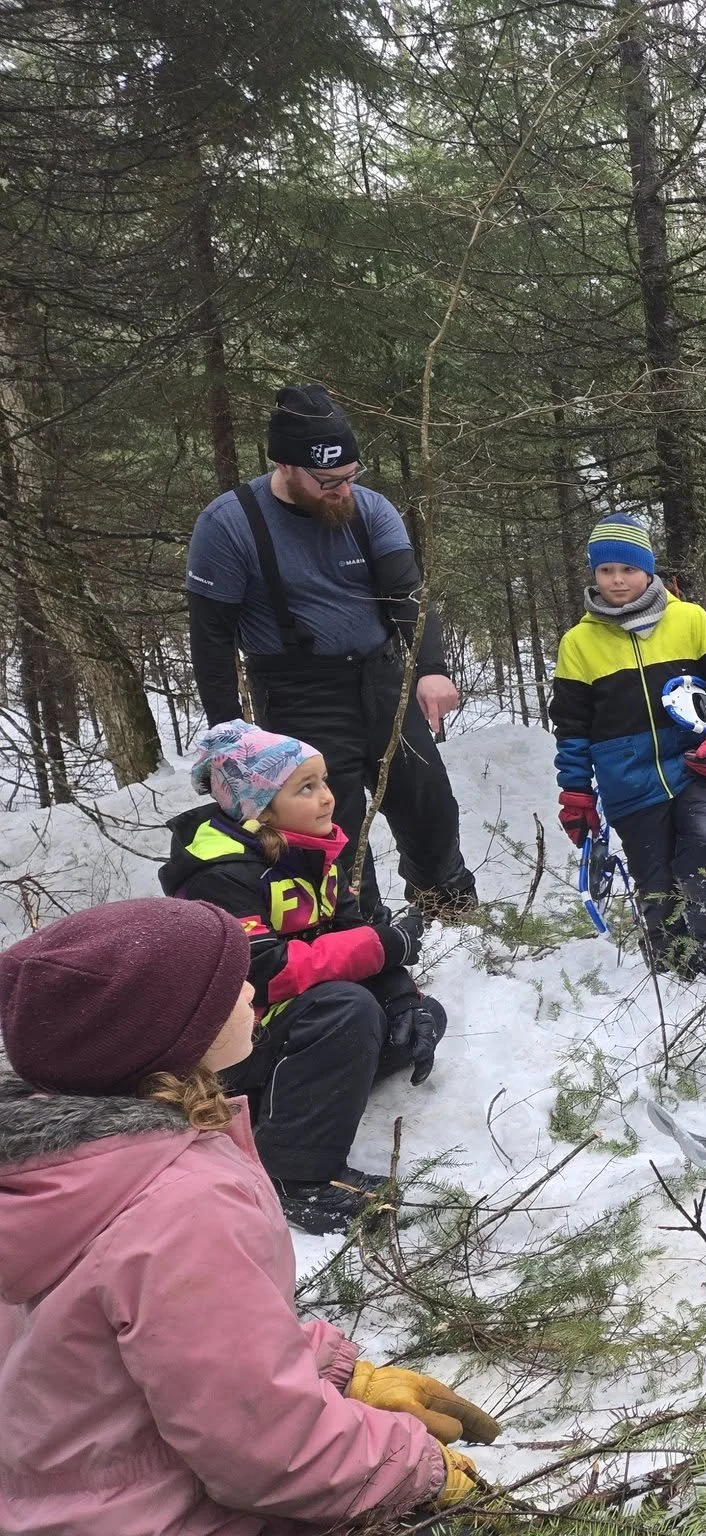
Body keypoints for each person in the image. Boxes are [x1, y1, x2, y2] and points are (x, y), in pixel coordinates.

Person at [0, 898, 497, 1533]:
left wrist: (341, 1377)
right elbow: (265, 1451)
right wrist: (415, 1471)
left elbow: (171, 1343)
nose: (249, 986)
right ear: (168, 1031)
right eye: (227, 982)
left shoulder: (66, 1167)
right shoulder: (181, 1204)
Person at [185, 383, 477, 922]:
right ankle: (360, 930)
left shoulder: (370, 510)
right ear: (285, 466)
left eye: (350, 476)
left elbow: (408, 595)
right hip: (298, 691)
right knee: (328, 817)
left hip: (380, 676)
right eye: (328, 482)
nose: (343, 490)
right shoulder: (229, 525)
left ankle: (450, 908)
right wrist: (229, 735)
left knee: (428, 798)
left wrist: (431, 670)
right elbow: (211, 639)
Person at [160, 720, 447, 1235]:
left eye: (324, 782)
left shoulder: (311, 850)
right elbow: (263, 972)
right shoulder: (219, 875)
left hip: (288, 1026)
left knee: (417, 1015)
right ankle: (294, 1172)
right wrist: (380, 946)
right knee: (347, 1010)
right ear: (259, 807)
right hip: (229, 1047)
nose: (328, 798)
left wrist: (403, 997)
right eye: (306, 788)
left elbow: (350, 929)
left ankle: (306, 1092)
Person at [551, 513, 706, 976]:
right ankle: (677, 972)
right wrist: (576, 792)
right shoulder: (578, 643)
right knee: (656, 880)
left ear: (649, 570)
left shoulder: (690, 620)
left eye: (628, 569)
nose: (618, 580)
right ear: (594, 574)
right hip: (628, 782)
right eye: (606, 570)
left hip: (697, 765)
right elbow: (571, 727)